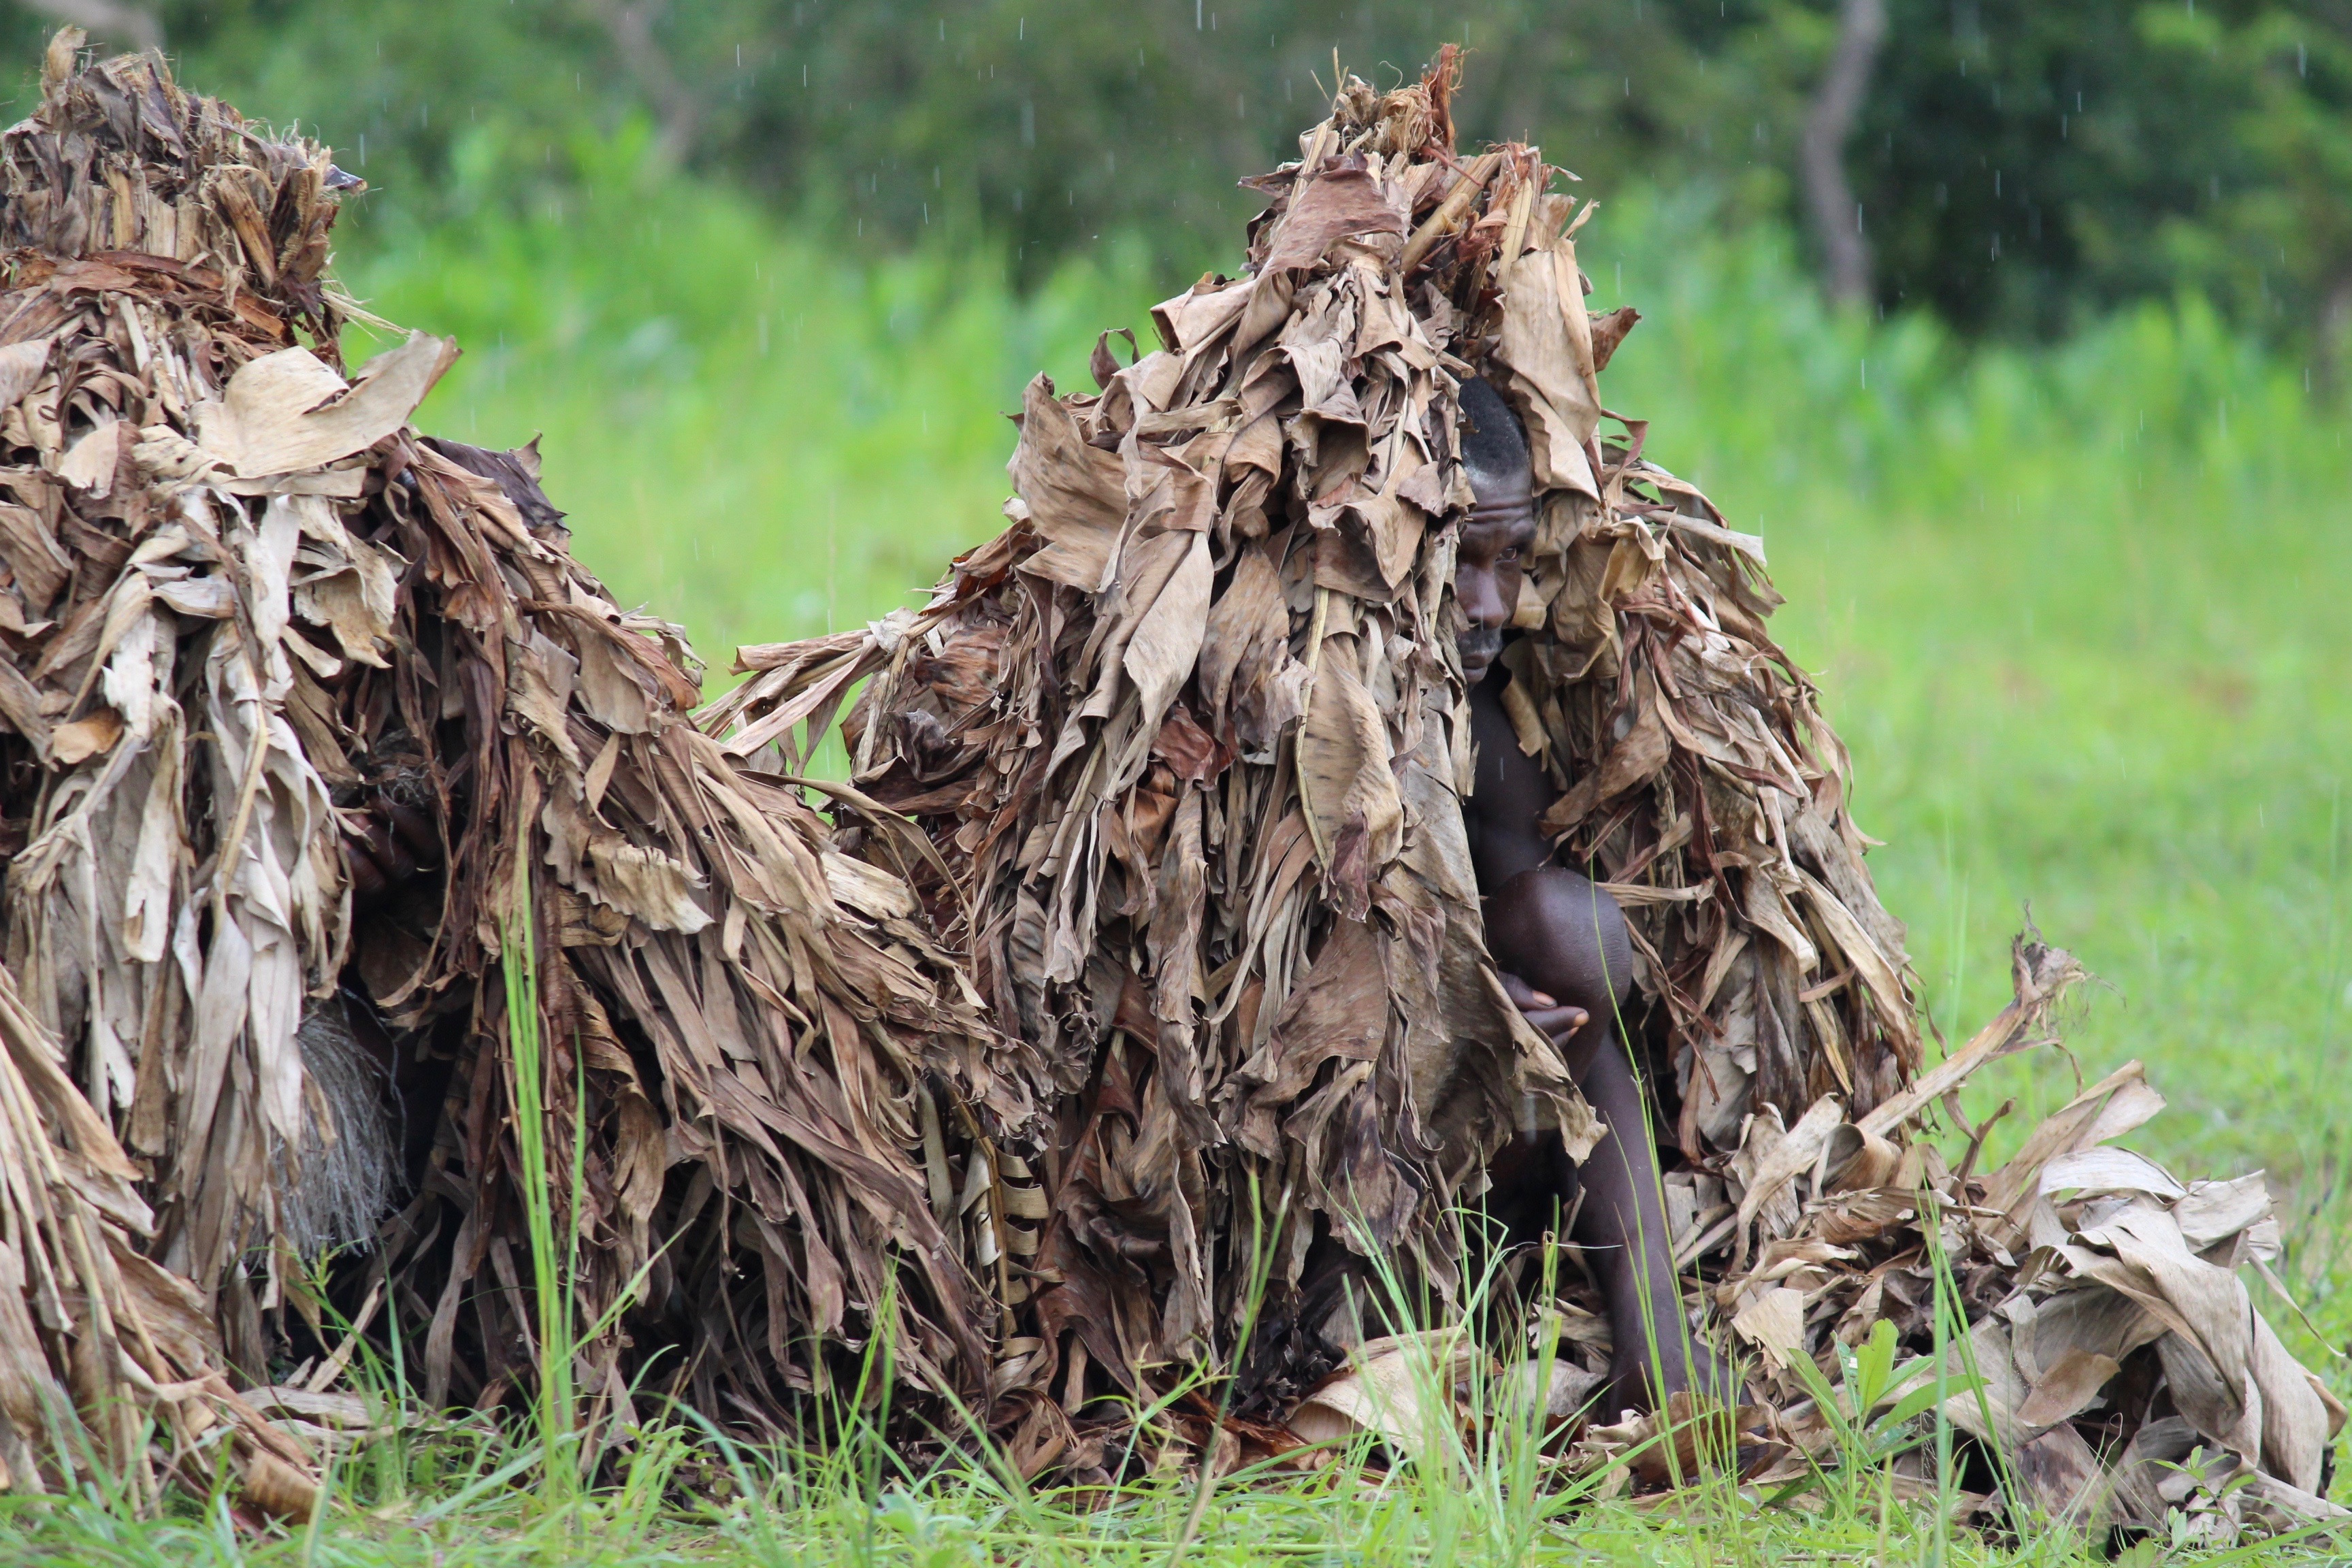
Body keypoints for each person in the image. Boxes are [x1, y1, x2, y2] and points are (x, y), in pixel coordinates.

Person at [1452, 376, 1721, 1416]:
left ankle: (1655, 1340)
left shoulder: (1489, 724)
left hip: (1497, 1146)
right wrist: (1445, 998)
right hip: (1319, 1148)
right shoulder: (1291, 695)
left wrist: (1506, 995)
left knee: (1573, 961)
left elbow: (1563, 938)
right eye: (1459, 561)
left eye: (1510, 560)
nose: (1489, 606)